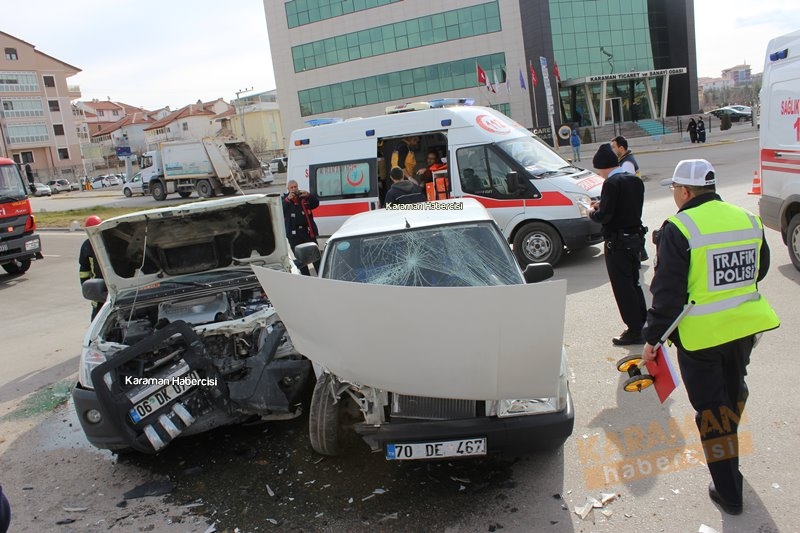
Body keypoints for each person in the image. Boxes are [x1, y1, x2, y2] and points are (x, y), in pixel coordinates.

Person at [641, 159, 780, 515]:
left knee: (711, 414)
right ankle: (728, 454)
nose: (674, 195)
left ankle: (729, 491)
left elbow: (667, 294)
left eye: (674, 189)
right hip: (743, 330)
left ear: (685, 191)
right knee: (733, 396)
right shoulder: (747, 218)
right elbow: (759, 269)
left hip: (701, 339)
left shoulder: (679, 227)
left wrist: (652, 340)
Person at [588, 144, 647, 345]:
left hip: (618, 242)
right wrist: (602, 204)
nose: (599, 174)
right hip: (635, 239)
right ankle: (642, 321)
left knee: (622, 288)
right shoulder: (634, 181)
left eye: (599, 170)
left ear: (604, 167)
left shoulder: (611, 183)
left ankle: (634, 329)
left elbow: (605, 216)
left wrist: (591, 212)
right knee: (634, 283)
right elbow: (625, 207)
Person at [611, 135, 648, 261]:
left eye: (614, 147)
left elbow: (628, 183)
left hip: (631, 199)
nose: (613, 150)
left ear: (621, 148)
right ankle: (641, 253)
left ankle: (640, 253)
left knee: (633, 227)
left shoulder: (627, 163)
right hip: (633, 198)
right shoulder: (625, 160)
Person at [282, 180, 320, 276]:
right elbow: (280, 210)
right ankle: (306, 279)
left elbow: (316, 203)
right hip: (294, 236)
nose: (294, 189)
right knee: (301, 260)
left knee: (315, 257)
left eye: (295, 187)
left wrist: (308, 195)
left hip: (307, 232)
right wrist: (288, 199)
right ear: (288, 189)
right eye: (292, 187)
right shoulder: (284, 199)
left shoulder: (304, 197)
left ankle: (321, 275)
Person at [79, 215, 105, 321]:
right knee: (96, 322)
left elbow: (84, 270)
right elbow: (84, 271)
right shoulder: (87, 245)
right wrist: (88, 288)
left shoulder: (109, 241)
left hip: (105, 289)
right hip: (98, 292)